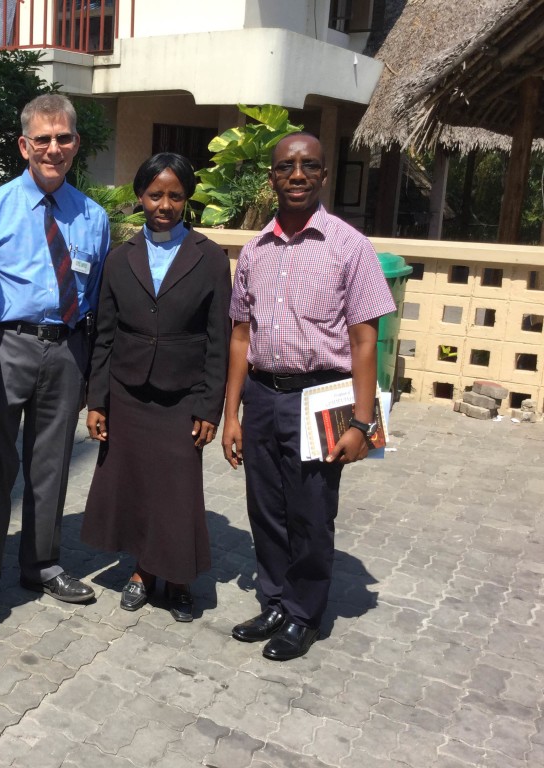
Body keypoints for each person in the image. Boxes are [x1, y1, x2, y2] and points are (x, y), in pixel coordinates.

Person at [221, 132, 395, 660]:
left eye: (309, 166)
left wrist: (362, 423)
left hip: (323, 396)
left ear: (323, 175)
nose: (297, 174)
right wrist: (231, 414)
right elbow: (240, 337)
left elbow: (366, 340)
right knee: (266, 508)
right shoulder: (254, 251)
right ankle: (273, 598)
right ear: (272, 177)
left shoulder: (349, 246)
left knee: (312, 510)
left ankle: (303, 613)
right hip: (261, 394)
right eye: (286, 167)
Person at [0, 93, 110, 619]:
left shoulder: (93, 217)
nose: (53, 148)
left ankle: (41, 564)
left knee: (52, 466)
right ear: (24, 145)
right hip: (3, 346)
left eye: (63, 138)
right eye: (41, 139)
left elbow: (98, 295)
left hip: (66, 349)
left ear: (75, 144)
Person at [80, 152, 231, 622]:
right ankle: (143, 570)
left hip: (182, 395)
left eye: (175, 195)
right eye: (155, 194)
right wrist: (96, 401)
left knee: (178, 488)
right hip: (127, 392)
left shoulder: (209, 259)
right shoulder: (120, 258)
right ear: (139, 197)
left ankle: (180, 577)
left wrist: (211, 407)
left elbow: (218, 340)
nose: (164, 204)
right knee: (138, 485)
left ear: (187, 199)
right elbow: (104, 334)